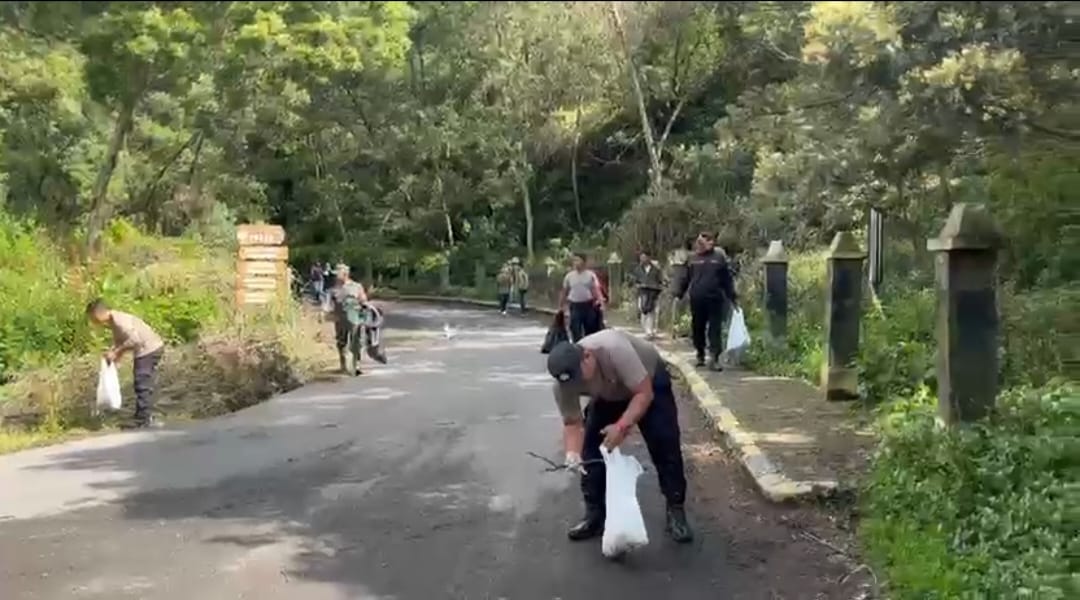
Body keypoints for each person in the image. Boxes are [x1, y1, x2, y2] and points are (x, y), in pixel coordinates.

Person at [546, 331, 693, 544]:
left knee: (664, 441)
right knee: (590, 451)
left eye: (578, 378)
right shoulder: (563, 383)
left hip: (648, 381)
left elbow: (644, 394)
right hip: (608, 393)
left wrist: (621, 426)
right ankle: (594, 515)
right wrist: (572, 453)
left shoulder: (615, 349)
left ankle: (676, 509)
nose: (575, 386)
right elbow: (572, 423)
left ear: (587, 357)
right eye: (569, 384)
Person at [86, 299, 165, 428]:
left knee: (142, 383)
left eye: (92, 318)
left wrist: (117, 351)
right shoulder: (114, 322)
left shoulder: (120, 321)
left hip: (149, 349)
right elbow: (121, 341)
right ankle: (144, 416)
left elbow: (135, 340)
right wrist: (114, 354)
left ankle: (145, 419)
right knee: (144, 382)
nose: (93, 322)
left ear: (99, 314)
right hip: (147, 348)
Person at [675, 231, 737, 370]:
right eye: (701, 241)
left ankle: (714, 358)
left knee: (715, 329)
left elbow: (726, 279)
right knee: (698, 328)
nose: (703, 244)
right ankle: (700, 354)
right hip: (697, 299)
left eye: (707, 240)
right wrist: (678, 293)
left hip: (715, 298)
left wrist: (732, 296)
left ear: (712, 242)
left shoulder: (718, 258)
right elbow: (685, 278)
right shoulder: (692, 258)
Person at [326, 263, 370, 375]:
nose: (336, 276)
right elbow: (328, 305)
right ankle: (344, 365)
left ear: (345, 274)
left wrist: (364, 311)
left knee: (356, 342)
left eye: (338, 274)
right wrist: (328, 313)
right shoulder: (333, 290)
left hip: (355, 318)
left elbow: (363, 300)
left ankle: (357, 365)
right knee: (342, 342)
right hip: (340, 319)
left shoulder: (356, 286)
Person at [559, 252, 604, 342]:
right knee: (575, 327)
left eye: (578, 260)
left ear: (584, 262)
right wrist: (561, 305)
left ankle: (588, 346)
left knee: (590, 328)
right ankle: (577, 347)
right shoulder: (569, 276)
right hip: (575, 305)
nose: (575, 263)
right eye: (574, 260)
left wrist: (601, 302)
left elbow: (596, 289)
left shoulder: (590, 275)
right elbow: (564, 291)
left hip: (588, 305)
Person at [631, 249, 665, 339]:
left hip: (653, 293)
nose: (642, 259)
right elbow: (634, 281)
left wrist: (658, 288)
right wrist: (638, 286)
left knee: (651, 312)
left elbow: (661, 281)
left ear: (649, 258)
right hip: (642, 293)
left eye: (644, 257)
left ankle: (649, 332)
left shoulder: (656, 269)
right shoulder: (637, 269)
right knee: (643, 311)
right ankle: (646, 329)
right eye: (641, 257)